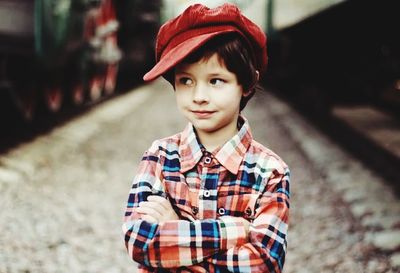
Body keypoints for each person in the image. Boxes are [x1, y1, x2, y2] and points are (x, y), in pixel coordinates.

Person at [122, 3, 290, 273]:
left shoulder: (270, 171)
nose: (199, 96)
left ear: (247, 83)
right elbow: (140, 242)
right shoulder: (160, 156)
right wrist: (236, 231)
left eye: (215, 81)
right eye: (186, 81)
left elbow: (264, 264)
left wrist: (176, 233)